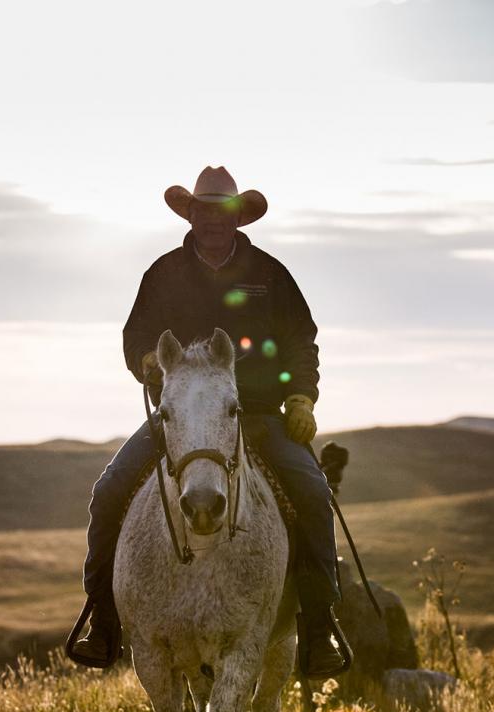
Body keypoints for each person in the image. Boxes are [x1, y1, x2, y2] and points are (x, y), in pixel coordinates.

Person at [69, 165, 348, 678]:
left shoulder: (270, 274)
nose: (213, 221)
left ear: (238, 218)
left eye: (223, 213)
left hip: (259, 413)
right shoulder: (163, 274)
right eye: (204, 211)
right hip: (181, 417)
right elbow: (136, 335)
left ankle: (319, 623)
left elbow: (299, 339)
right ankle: (102, 617)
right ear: (191, 214)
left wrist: (301, 397)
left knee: (311, 493)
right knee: (109, 492)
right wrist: (148, 362)